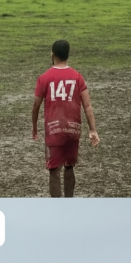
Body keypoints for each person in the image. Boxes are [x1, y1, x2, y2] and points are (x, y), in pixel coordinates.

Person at [32, 40, 99, 197]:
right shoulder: (77, 77)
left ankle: (57, 207)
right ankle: (69, 203)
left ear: (52, 54)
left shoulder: (44, 78)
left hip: (54, 129)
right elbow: (87, 105)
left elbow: (36, 105)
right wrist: (93, 130)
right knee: (69, 166)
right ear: (68, 55)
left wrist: (34, 127)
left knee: (54, 169)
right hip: (73, 128)